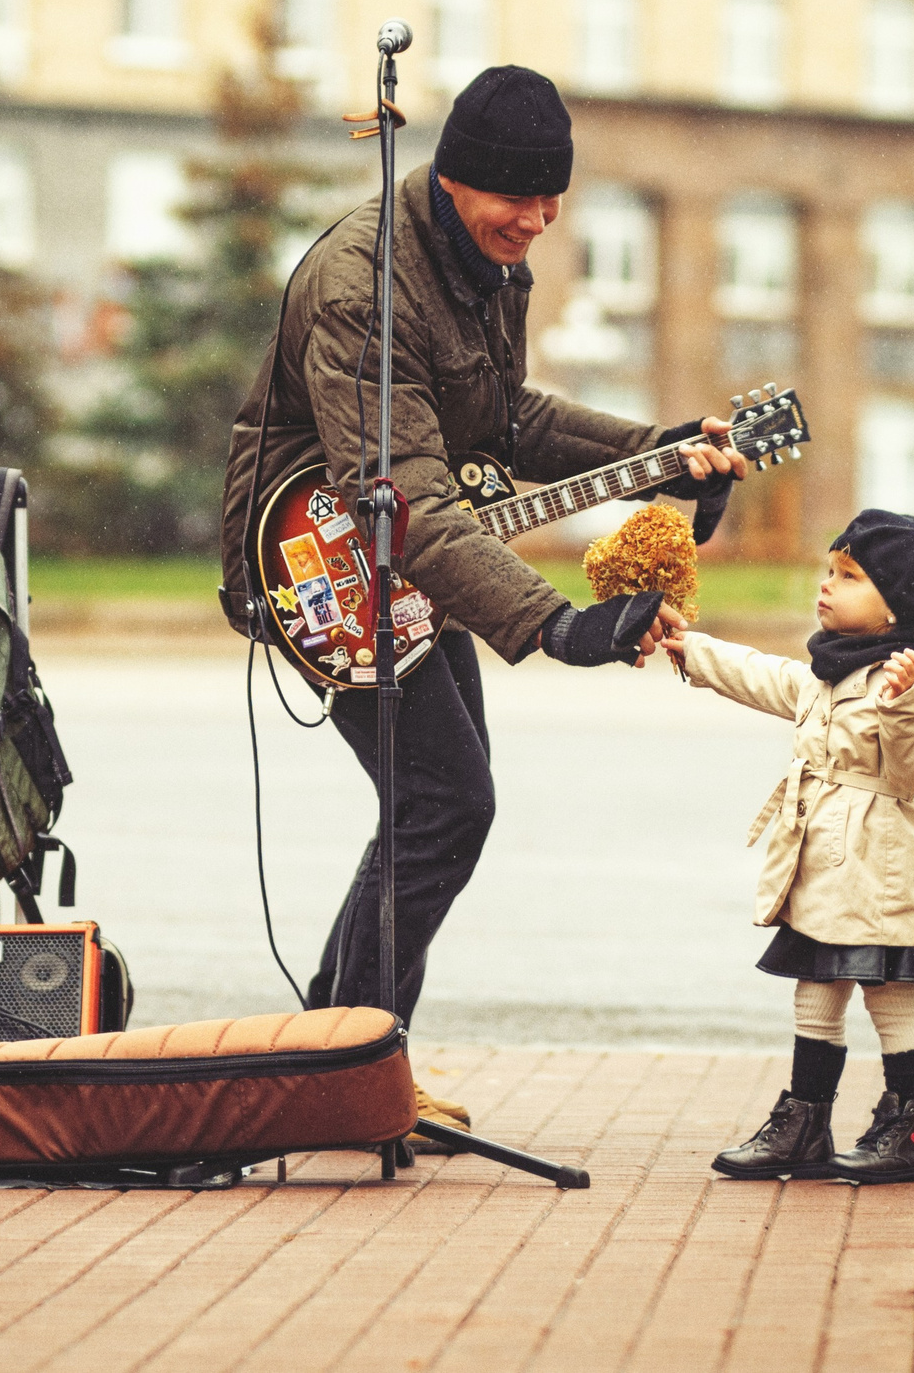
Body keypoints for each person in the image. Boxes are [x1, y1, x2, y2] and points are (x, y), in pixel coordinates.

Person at [219, 64, 751, 1137]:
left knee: (438, 806)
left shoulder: (489, 264)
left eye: (553, 198)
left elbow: (506, 420)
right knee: (443, 804)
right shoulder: (362, 286)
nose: (539, 220)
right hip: (318, 564)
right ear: (455, 178)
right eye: (518, 196)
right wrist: (553, 622)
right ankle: (348, 1069)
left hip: (410, 557)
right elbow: (405, 496)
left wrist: (652, 453)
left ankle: (338, 1059)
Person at [661, 509, 914, 1185]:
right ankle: (804, 1122)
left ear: (897, 605)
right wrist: (692, 648)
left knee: (889, 992)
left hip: (882, 866)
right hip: (822, 859)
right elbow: (760, 674)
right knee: (817, 985)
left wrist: (904, 705)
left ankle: (909, 1128)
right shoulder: (828, 671)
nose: (826, 584)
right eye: (830, 570)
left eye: (849, 576)